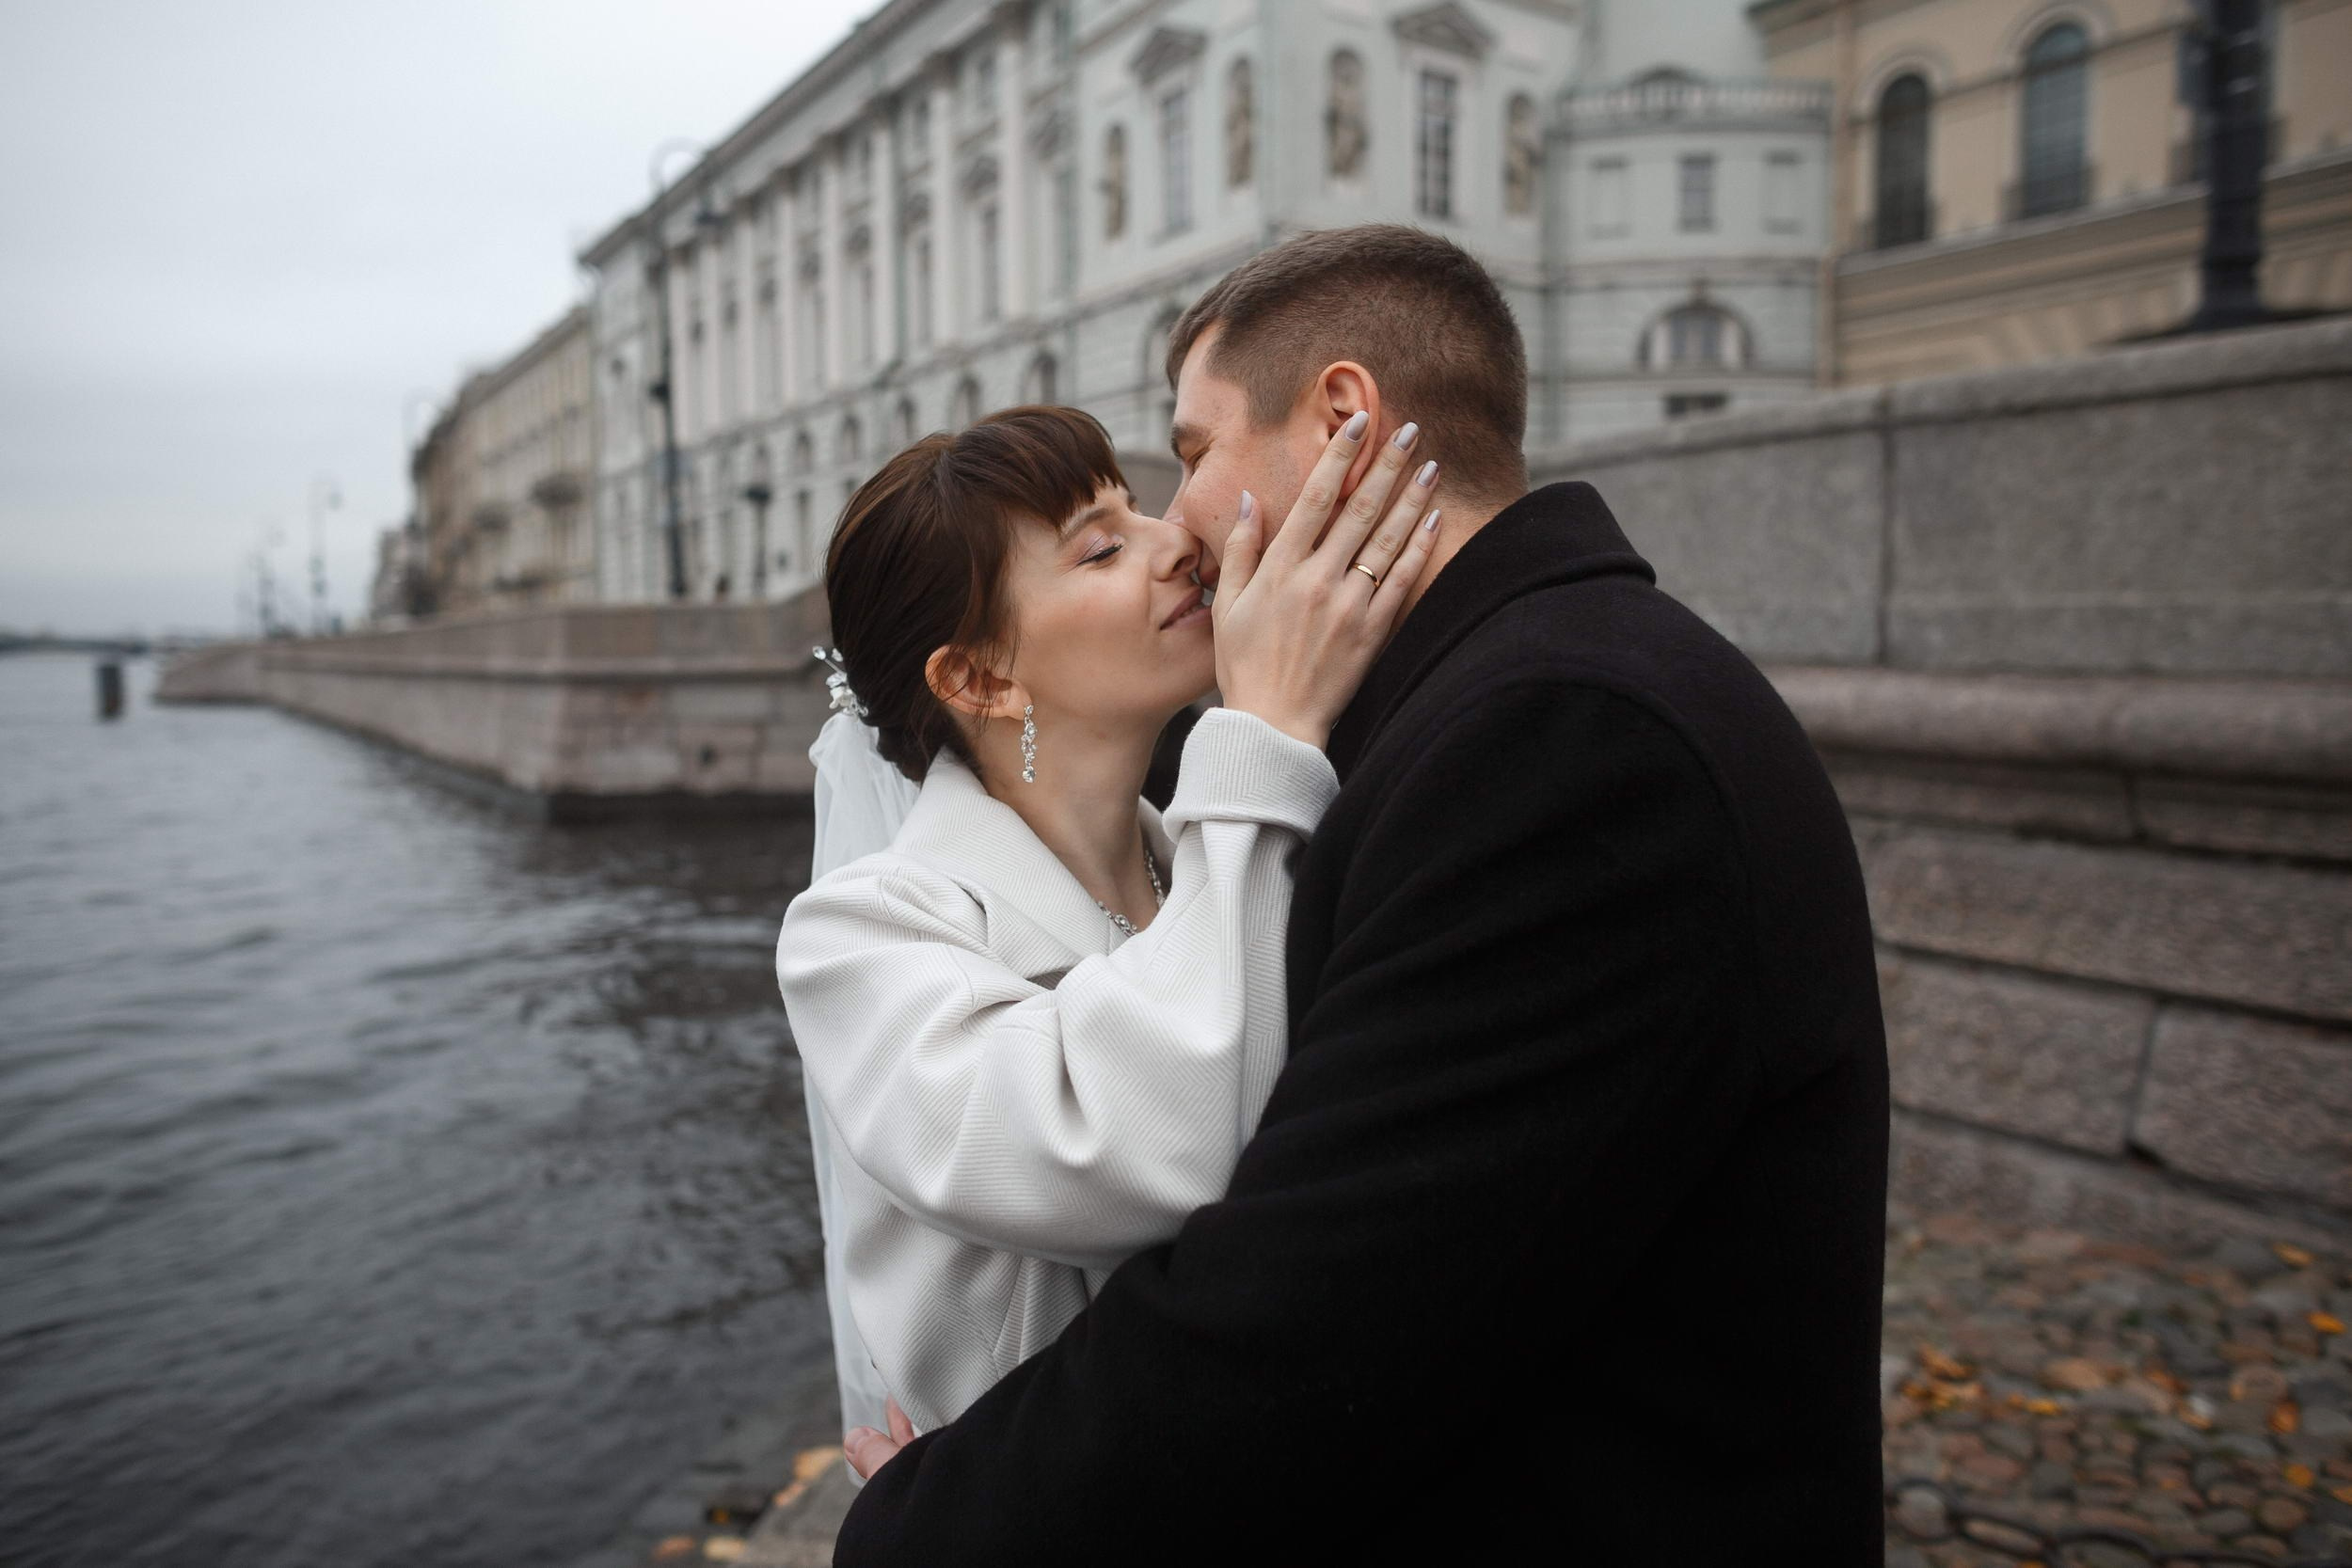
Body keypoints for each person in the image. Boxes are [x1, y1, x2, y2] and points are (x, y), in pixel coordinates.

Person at [831, 225, 1891, 1561]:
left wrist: (927, 1524)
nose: (1183, 531)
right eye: (1114, 533)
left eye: (1194, 454)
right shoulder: (1499, 708)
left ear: (1341, 419)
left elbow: (1309, 1312)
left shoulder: (1563, 738)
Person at [775, 404, 1443, 1439]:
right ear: (979, 678)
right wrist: (1263, 730)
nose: (1177, 539)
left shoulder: (1210, 853)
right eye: (1101, 547)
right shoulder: (863, 937)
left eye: (1136, 508)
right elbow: (1132, 1149)